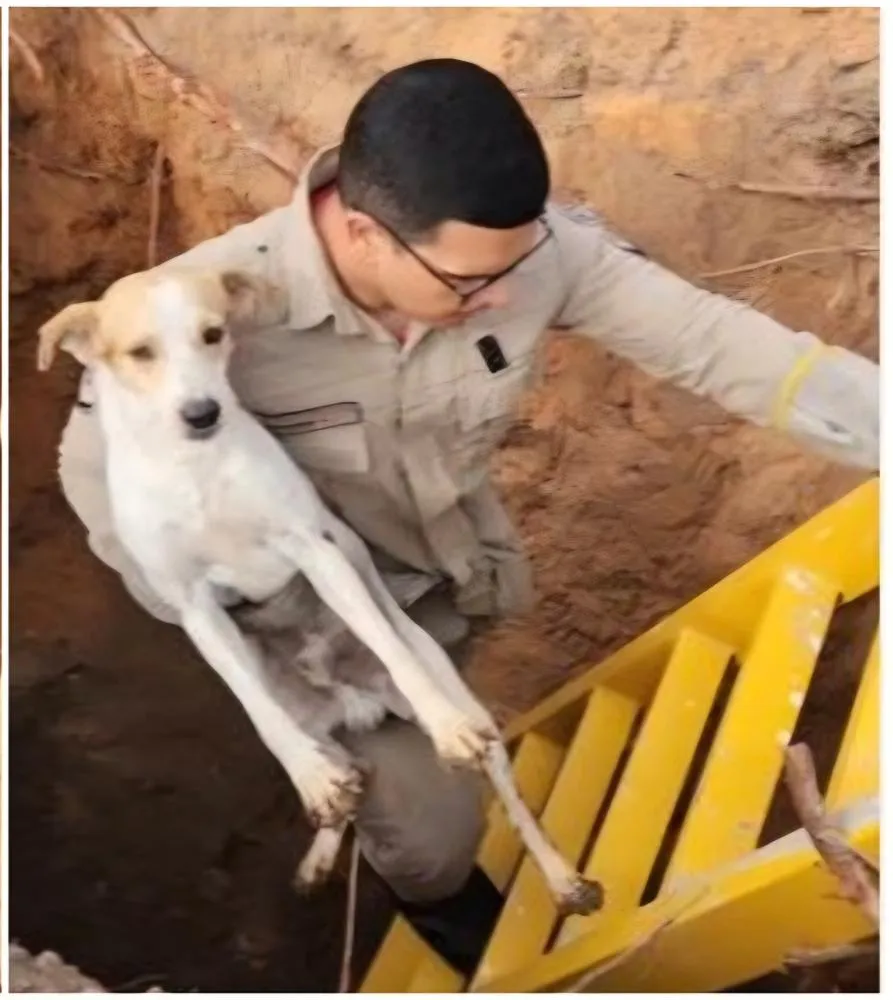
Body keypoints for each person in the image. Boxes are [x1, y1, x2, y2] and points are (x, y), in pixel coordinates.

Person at [56, 58, 879, 973]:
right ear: (364, 234)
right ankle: (449, 916)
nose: (499, 296)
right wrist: (239, 599)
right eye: (464, 283)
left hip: (450, 586)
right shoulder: (204, 315)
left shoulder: (519, 253)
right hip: (304, 626)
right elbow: (94, 469)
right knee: (435, 834)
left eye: (517, 266)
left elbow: (723, 346)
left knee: (469, 722)